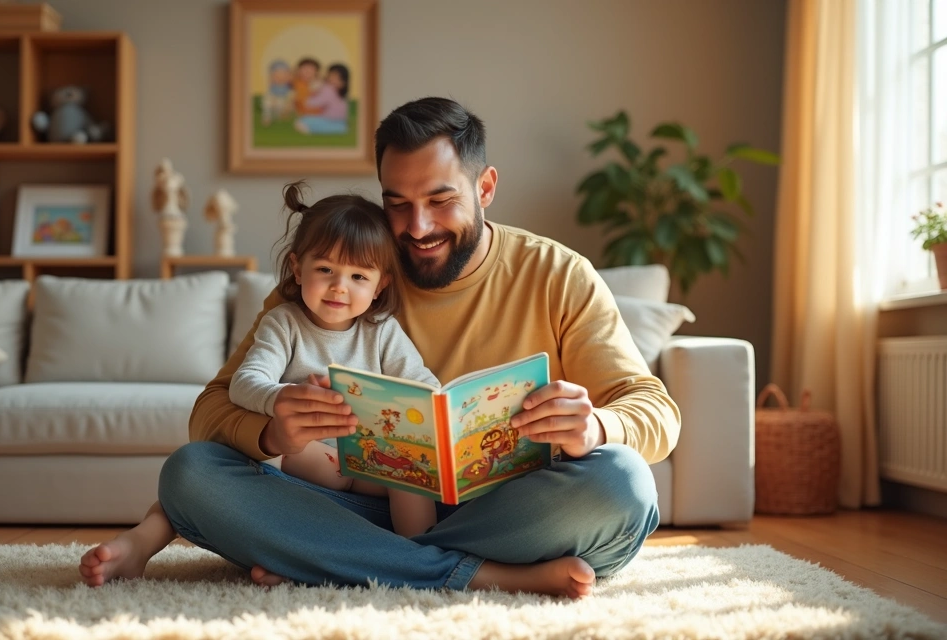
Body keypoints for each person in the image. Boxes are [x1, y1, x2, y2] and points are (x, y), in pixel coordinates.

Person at [96, 97, 678, 599]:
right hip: (353, 505)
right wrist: (277, 430)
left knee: (623, 483)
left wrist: (597, 427)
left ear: (486, 187)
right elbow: (209, 414)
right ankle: (476, 575)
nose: (417, 226)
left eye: (441, 200)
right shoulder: (342, 274)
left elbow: (654, 409)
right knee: (191, 473)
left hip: (510, 511)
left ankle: (332, 562)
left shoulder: (558, 274)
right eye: (397, 202)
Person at [78, 183, 439, 586]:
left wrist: (437, 411)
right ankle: (140, 543)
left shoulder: (382, 332)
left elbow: (423, 385)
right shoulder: (284, 323)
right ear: (297, 267)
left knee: (414, 471)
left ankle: (415, 558)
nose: (340, 286)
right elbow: (245, 383)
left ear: (380, 285)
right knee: (197, 468)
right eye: (326, 270)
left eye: (358, 276)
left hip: (372, 471)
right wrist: (288, 399)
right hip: (306, 471)